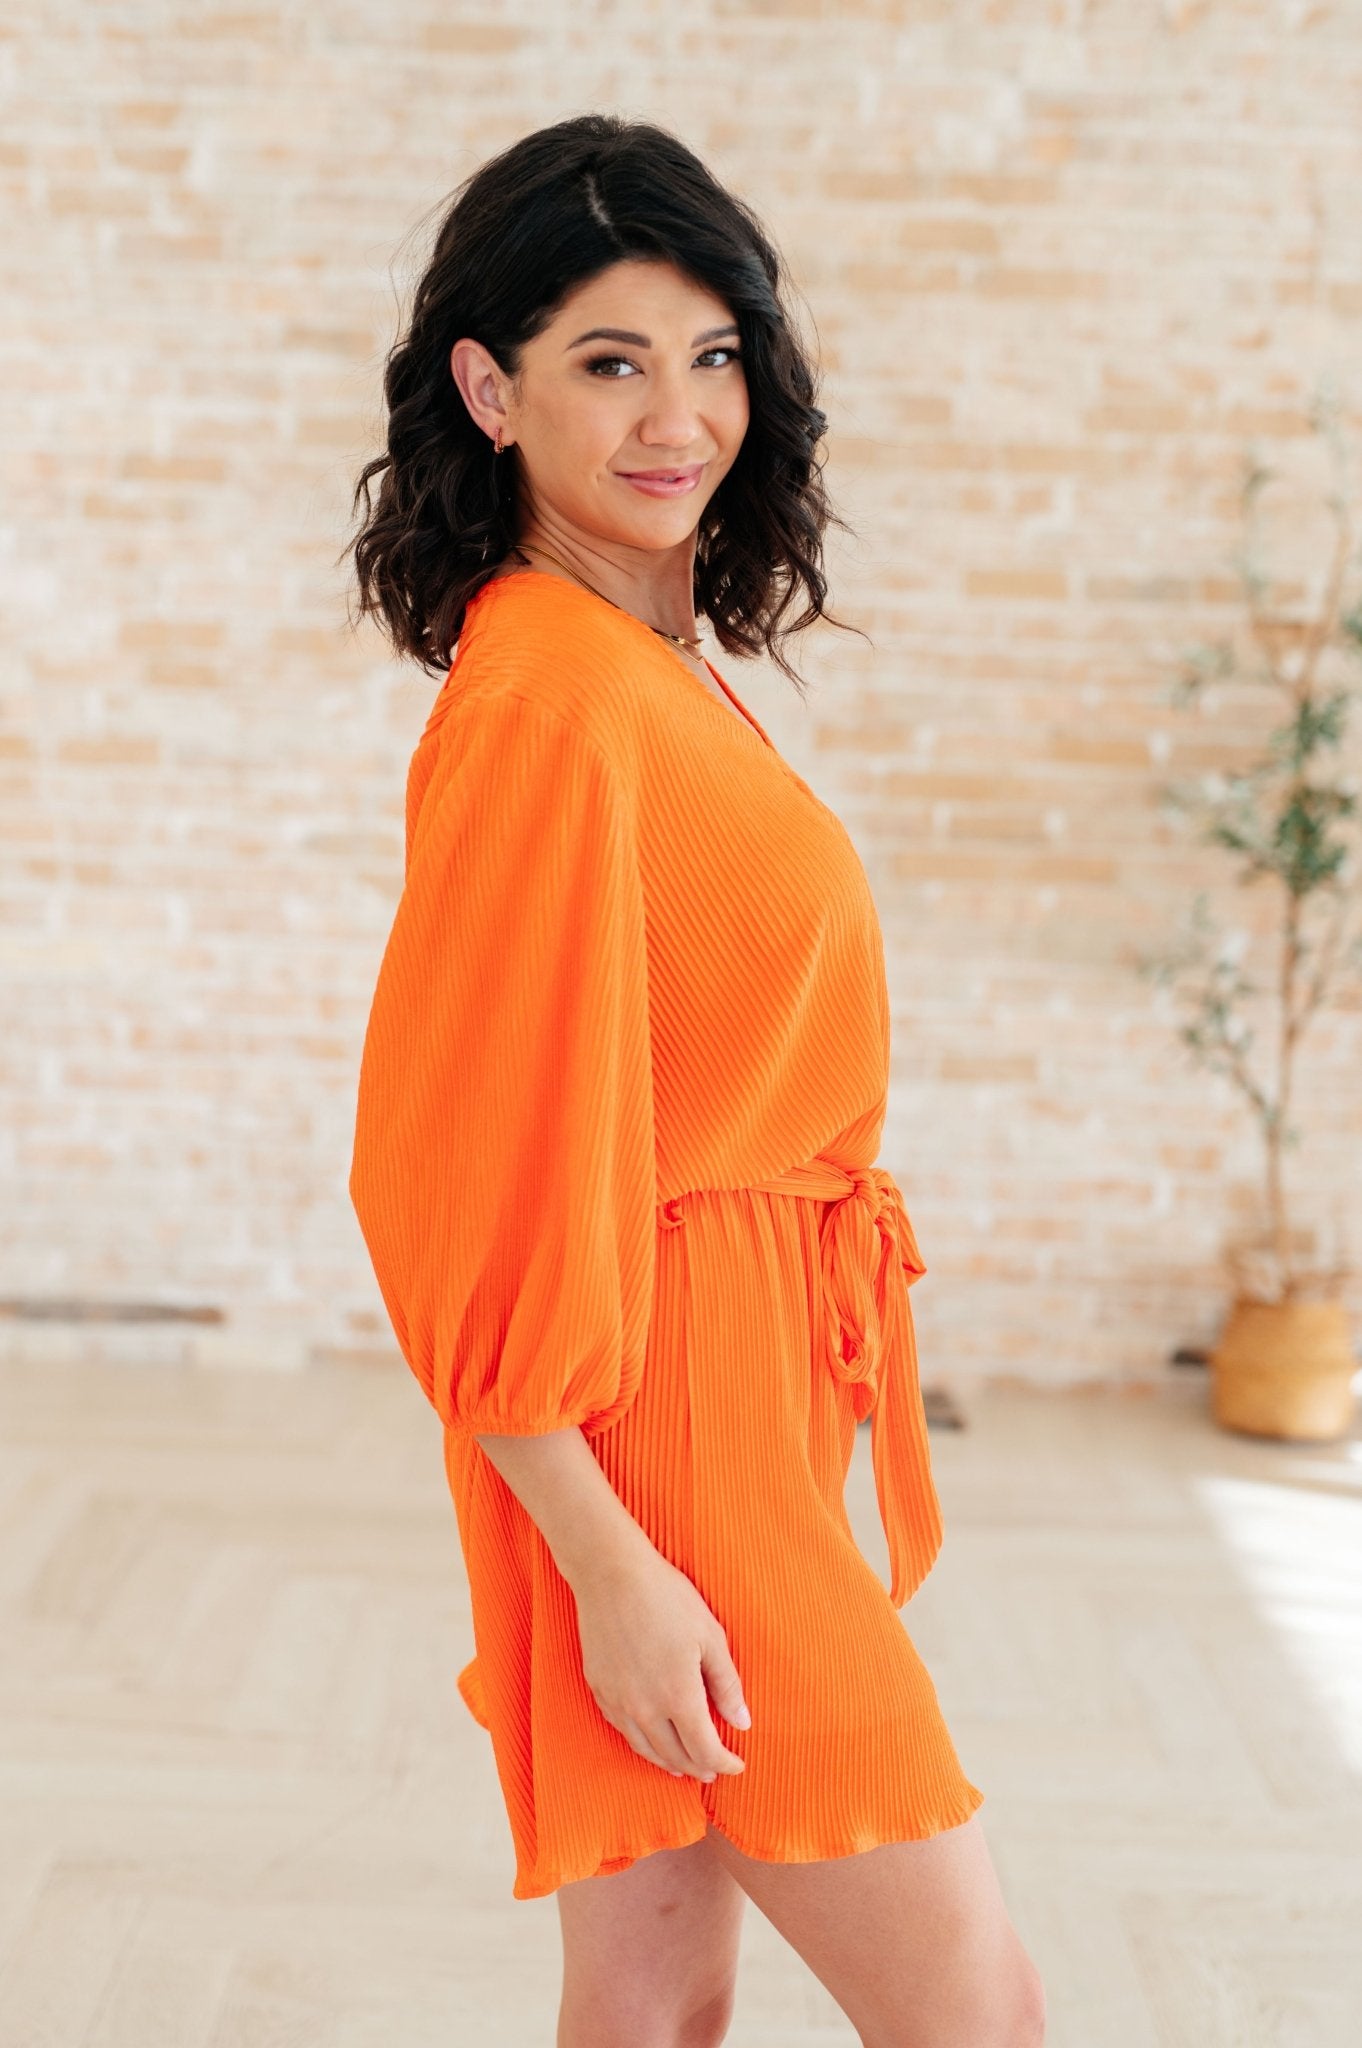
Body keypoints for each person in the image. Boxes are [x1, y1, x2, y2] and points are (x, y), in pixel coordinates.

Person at [344, 113, 1046, 2048]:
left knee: (654, 1996)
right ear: (488, 390)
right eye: (607, 361)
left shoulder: (634, 663)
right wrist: (615, 1570)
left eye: (712, 354)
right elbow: (453, 1177)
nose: (677, 417)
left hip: (725, 1403)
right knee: (975, 2014)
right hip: (662, 1446)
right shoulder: (547, 706)